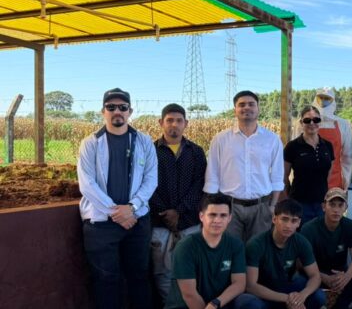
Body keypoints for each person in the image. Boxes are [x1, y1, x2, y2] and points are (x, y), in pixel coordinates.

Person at [77, 88, 158, 308]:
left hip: (136, 221)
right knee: (106, 280)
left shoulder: (143, 142)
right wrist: (117, 212)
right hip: (101, 225)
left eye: (122, 107)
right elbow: (87, 184)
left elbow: (151, 179)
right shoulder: (91, 143)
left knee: (139, 277)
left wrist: (132, 208)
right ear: (103, 111)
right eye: (111, 107)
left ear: (130, 111)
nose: (117, 112)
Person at [205, 90, 284, 242]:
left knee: (257, 253)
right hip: (229, 207)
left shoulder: (272, 140)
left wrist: (272, 206)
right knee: (229, 251)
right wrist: (214, 207)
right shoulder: (220, 139)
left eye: (251, 104)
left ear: (258, 109)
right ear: (235, 110)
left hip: (261, 207)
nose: (246, 108)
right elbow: (212, 174)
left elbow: (277, 175)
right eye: (241, 105)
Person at [150, 103, 208, 299]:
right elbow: (147, 185)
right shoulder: (150, 150)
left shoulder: (196, 152)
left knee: (190, 268)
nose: (174, 124)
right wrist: (166, 212)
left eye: (179, 120)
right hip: (159, 221)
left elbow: (200, 183)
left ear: (186, 124)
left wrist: (180, 211)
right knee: (162, 271)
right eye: (169, 120)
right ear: (161, 123)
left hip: (189, 221)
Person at [164, 194, 257, 309]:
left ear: (229, 218)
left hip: (218, 305)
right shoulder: (185, 246)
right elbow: (189, 295)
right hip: (188, 306)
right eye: (212, 215)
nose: (217, 220)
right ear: (201, 216)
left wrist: (216, 303)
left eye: (223, 215)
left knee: (249, 301)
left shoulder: (236, 245)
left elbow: (239, 284)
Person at [241, 199, 326, 309]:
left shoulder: (301, 242)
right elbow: (251, 286)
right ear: (274, 219)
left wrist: (301, 296)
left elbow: (315, 276)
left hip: (287, 286)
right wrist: (287, 298)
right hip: (263, 293)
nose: (288, 225)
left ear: (299, 223)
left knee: (319, 296)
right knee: (249, 303)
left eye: (294, 221)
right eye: (284, 219)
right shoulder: (256, 244)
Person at [299, 188, 352, 309]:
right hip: (314, 271)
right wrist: (324, 277)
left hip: (339, 271)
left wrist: (346, 277)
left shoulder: (351, 226)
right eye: (332, 204)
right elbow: (300, 263)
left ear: (346, 208)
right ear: (323, 207)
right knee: (315, 294)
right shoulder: (309, 228)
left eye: (340, 205)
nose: (336, 210)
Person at [283, 105, 334, 223]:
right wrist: (289, 199)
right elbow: (284, 176)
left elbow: (328, 174)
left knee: (319, 238)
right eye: (307, 120)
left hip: (322, 204)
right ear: (301, 122)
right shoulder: (292, 147)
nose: (312, 123)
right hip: (300, 203)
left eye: (316, 120)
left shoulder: (327, 146)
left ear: (320, 122)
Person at [311, 87, 352, 190]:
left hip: (334, 182)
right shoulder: (304, 123)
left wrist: (347, 184)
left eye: (327, 98)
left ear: (333, 101)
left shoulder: (343, 124)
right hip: (308, 182)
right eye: (320, 98)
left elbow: (347, 157)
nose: (323, 101)